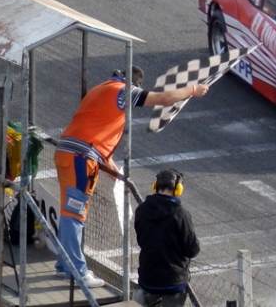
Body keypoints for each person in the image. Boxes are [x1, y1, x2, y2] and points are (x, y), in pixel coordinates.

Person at [54, 66, 208, 288]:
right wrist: (193, 89)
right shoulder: (123, 91)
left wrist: (111, 167)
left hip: (70, 153)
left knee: (69, 210)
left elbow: (94, 127)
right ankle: (78, 271)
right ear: (133, 84)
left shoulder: (101, 89)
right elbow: (163, 98)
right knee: (74, 214)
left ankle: (64, 265)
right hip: (81, 158)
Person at [133, 168, 200, 306]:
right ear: (178, 189)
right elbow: (192, 250)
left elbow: (141, 240)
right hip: (173, 280)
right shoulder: (180, 214)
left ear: (155, 186)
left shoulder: (142, 210)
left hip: (148, 277)